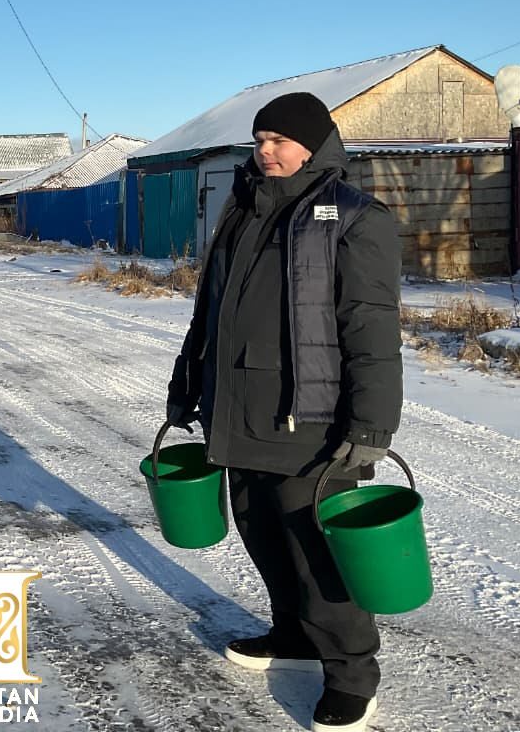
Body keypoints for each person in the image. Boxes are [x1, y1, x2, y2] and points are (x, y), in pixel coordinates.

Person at [165, 91, 401, 732]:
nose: (265, 151)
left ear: (314, 145)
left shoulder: (353, 218)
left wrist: (371, 424)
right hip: (238, 408)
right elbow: (209, 310)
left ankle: (352, 674)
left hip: (311, 418)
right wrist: (187, 384)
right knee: (261, 531)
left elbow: (371, 330)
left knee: (316, 551)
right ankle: (294, 638)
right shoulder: (242, 208)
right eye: (259, 139)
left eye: (279, 140)